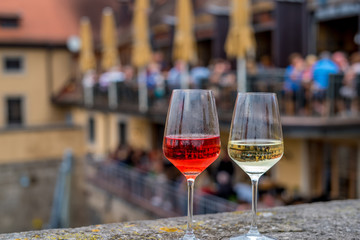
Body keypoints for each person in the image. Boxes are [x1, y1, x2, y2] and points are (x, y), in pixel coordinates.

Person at [312, 51, 339, 115]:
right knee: (327, 101)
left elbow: (313, 75)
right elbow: (336, 73)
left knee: (316, 100)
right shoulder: (332, 64)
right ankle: (325, 113)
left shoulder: (317, 64)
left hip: (318, 87)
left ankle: (322, 111)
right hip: (329, 87)